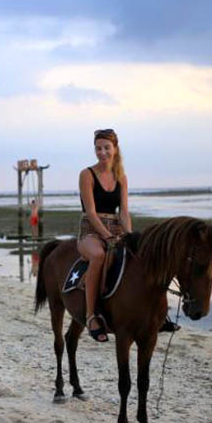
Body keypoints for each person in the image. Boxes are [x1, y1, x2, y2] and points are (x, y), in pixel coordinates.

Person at [78, 128, 131, 342]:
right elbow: (90, 212)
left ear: (115, 149)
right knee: (99, 255)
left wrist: (130, 236)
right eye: (98, 148)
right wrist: (107, 236)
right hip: (90, 230)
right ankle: (91, 316)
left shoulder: (122, 178)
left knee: (135, 256)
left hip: (116, 229)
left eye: (106, 148)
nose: (102, 152)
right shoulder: (87, 174)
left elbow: (124, 211)